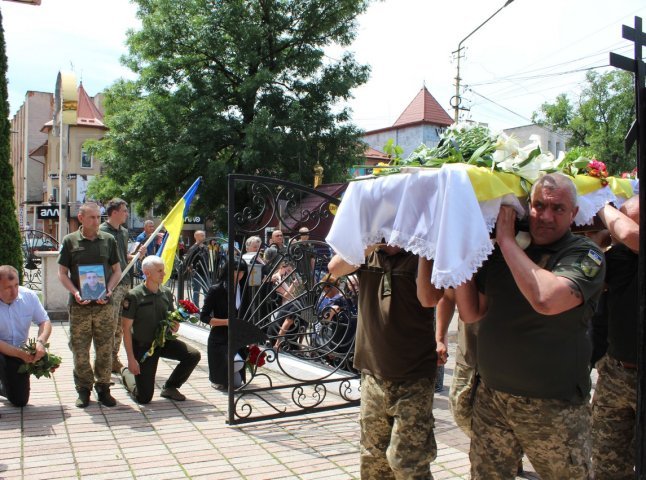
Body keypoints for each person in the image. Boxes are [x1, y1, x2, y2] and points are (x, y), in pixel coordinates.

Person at [455, 173, 605, 479]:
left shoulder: (583, 254)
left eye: (558, 208)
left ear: (573, 213)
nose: (546, 216)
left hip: (554, 407)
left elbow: (546, 299)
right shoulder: (500, 252)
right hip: (493, 400)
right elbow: (471, 313)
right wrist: (460, 254)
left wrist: (508, 242)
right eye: (539, 206)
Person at [329, 244, 442, 479]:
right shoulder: (367, 253)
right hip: (373, 373)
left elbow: (430, 298)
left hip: (413, 376)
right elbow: (335, 268)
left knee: (409, 462)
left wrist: (422, 246)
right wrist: (369, 241)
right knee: (373, 461)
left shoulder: (422, 253)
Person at [591, 196, 640, 478]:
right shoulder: (619, 258)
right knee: (606, 461)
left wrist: (597, 202)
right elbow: (585, 273)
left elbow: (630, 234)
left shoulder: (629, 240)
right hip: (616, 373)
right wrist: (596, 242)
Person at [58, 202, 122, 408]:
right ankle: (83, 388)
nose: (97, 221)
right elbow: (62, 273)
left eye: (98, 217)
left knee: (105, 347)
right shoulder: (70, 241)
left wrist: (110, 289)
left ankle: (103, 387)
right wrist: (75, 292)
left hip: (104, 304)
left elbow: (117, 271)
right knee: (80, 348)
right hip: (80, 306)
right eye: (92, 217)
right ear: (81, 218)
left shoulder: (108, 240)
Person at [120, 256, 201, 403]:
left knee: (193, 355)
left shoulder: (166, 293)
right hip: (144, 347)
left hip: (163, 342)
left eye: (163, 270)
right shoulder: (134, 296)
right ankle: (126, 374)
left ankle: (170, 387)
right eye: (160, 271)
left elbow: (171, 318)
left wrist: (175, 325)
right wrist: (131, 359)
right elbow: (125, 329)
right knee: (143, 398)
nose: (164, 274)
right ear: (147, 273)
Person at [100, 198, 142, 374]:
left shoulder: (124, 232)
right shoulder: (101, 232)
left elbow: (123, 256)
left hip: (125, 283)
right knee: (109, 323)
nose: (127, 214)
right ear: (114, 212)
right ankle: (104, 359)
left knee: (120, 324)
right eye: (124, 211)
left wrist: (135, 255)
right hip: (111, 284)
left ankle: (114, 358)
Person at [0, 265, 52, 407]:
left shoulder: (28, 296)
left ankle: (4, 385)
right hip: (3, 350)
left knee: (20, 401)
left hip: (18, 353)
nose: (14, 291)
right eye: (8, 287)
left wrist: (40, 342)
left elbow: (44, 321)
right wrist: (20, 354)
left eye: (16, 285)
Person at [200, 258, 248, 391]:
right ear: (228, 270)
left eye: (242, 272)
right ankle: (218, 378)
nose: (239, 275)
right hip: (220, 338)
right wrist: (226, 322)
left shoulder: (244, 289)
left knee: (236, 383)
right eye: (236, 271)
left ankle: (230, 375)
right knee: (224, 380)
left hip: (238, 338)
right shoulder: (216, 289)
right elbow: (204, 317)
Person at [186, 230, 210, 308]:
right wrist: (191, 272)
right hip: (197, 274)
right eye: (202, 235)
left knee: (207, 292)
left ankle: (207, 309)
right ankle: (196, 309)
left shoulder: (206, 248)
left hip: (206, 273)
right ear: (196, 236)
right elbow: (188, 262)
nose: (204, 237)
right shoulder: (193, 248)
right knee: (196, 292)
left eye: (204, 235)